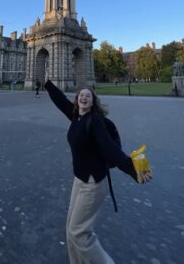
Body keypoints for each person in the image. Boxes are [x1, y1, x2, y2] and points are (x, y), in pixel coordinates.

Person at [44, 70, 152, 264]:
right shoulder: (76, 116)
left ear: (93, 102)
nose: (84, 97)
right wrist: (48, 84)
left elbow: (111, 150)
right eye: (81, 95)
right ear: (77, 100)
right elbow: (61, 101)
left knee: (79, 233)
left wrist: (132, 169)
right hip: (80, 179)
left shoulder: (94, 121)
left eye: (88, 95)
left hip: (92, 184)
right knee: (71, 229)